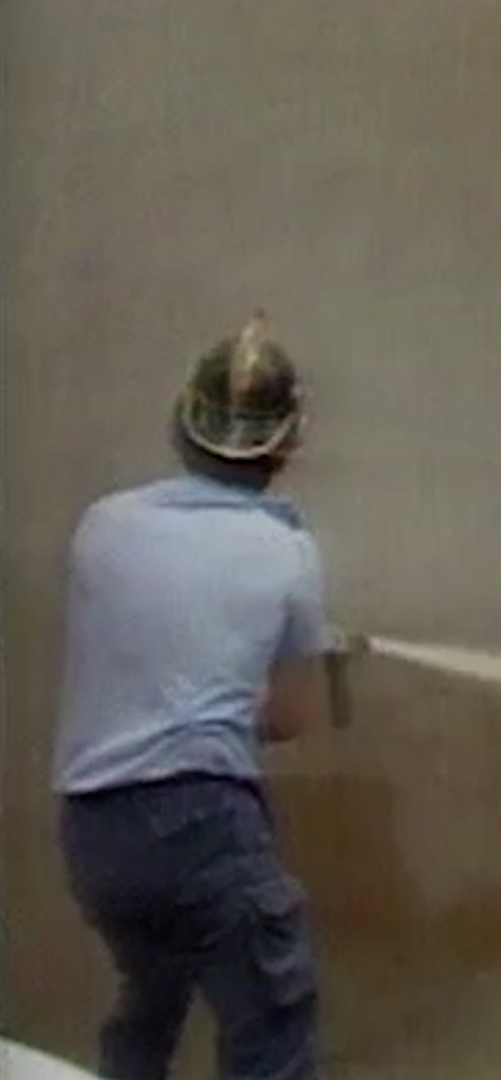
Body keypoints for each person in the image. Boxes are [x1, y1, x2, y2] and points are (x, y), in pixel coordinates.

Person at [52, 312, 332, 1080]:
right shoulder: (289, 552)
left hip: (94, 832)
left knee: (152, 997)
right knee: (275, 1018)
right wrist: (302, 653)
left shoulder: (102, 526)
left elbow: (155, 638)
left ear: (185, 426)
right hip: (201, 823)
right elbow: (289, 718)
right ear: (286, 445)